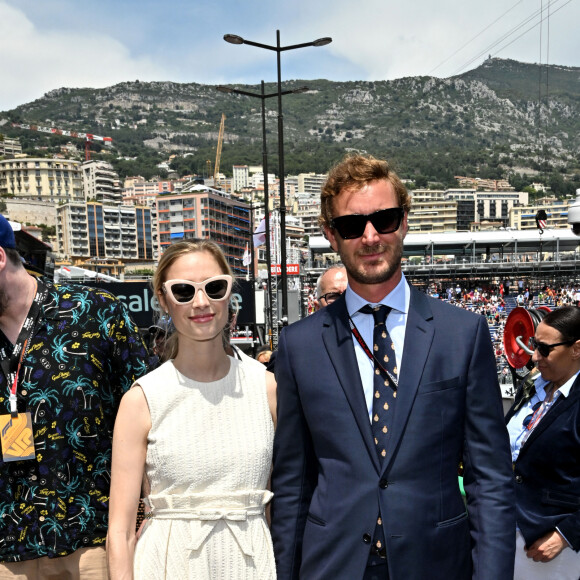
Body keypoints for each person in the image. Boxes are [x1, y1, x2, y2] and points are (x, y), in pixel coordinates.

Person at [271, 154, 515, 580]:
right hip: (333, 566)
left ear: (403, 222)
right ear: (331, 235)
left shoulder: (463, 333)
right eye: (351, 226)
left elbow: (489, 479)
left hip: (437, 564)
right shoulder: (299, 346)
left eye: (383, 220)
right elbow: (293, 483)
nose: (370, 237)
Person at [107, 240, 277, 580]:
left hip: (251, 564)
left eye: (214, 288)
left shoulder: (267, 387)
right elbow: (121, 532)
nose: (202, 302)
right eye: (184, 291)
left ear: (230, 292)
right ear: (163, 299)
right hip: (167, 565)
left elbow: (274, 507)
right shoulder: (142, 400)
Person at [0, 214, 148, 578]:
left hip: (91, 543)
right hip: (7, 548)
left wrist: (145, 516)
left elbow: (150, 413)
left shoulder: (96, 312)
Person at [505, 306, 580, 579]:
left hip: (554, 547)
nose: (535, 357)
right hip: (504, 529)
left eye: (545, 349)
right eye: (535, 346)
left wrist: (566, 534)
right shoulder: (532, 387)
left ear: (576, 349)